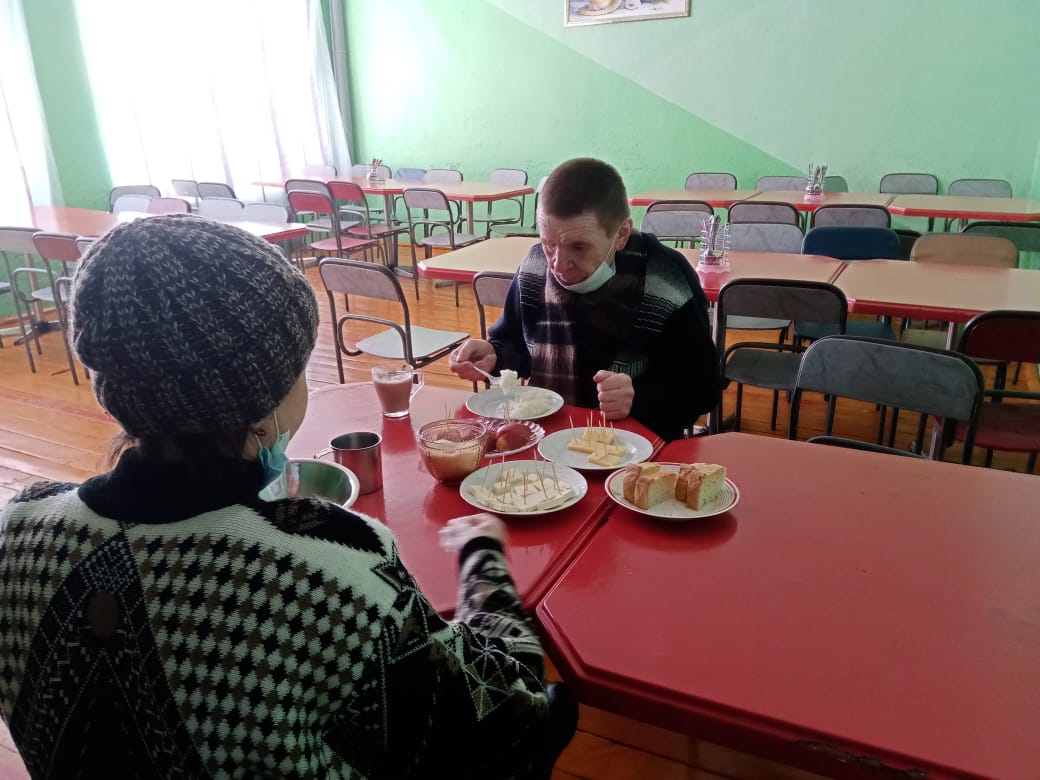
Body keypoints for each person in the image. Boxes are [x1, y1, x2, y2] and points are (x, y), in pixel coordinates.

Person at [0, 215, 562, 778]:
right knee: (557, 709)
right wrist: (483, 561)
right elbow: (505, 711)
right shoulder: (324, 570)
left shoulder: (16, 528)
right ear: (263, 396)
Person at [450, 157, 721, 441]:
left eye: (579, 247)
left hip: (636, 445)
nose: (558, 264)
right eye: (548, 243)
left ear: (621, 235)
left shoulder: (666, 279)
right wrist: (494, 355)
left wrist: (638, 397)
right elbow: (515, 345)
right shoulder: (535, 268)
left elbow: (704, 389)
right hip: (545, 437)